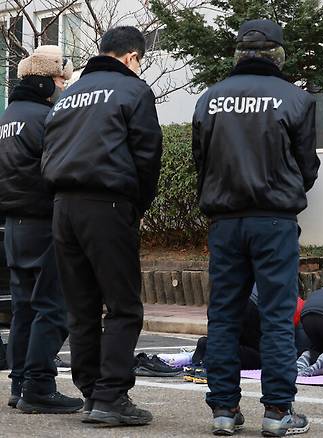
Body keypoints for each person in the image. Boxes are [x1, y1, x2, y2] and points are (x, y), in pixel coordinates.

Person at [192, 19, 319, 437]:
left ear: (238, 53)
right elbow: (307, 166)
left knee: (224, 315)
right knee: (277, 316)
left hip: (225, 220)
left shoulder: (209, 100)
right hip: (275, 219)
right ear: (277, 54)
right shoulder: (295, 99)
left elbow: (201, 160)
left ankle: (224, 410)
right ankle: (277, 410)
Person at [42, 26, 162, 425]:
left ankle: (92, 393)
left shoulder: (68, 95)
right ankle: (112, 397)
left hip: (63, 206)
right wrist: (136, 206)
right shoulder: (133, 91)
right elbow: (147, 154)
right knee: (124, 305)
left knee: (82, 307)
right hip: (107, 204)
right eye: (140, 61)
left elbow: (50, 148)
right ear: (131, 57)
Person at [0, 46, 82, 414]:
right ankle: (39, 385)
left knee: (23, 309)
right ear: (45, 81)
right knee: (53, 307)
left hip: (13, 225)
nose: (63, 87)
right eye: (61, 80)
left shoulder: (7, 117)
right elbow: (62, 167)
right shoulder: (48, 117)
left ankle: (20, 383)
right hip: (46, 220)